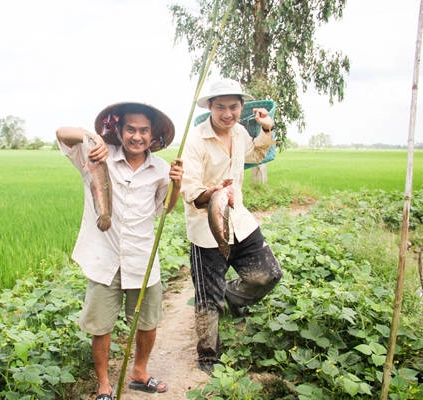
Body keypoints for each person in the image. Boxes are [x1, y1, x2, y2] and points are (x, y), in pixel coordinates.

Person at [56, 102, 183, 400]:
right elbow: (62, 133)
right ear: (119, 130)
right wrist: (92, 137)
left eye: (143, 130)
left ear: (152, 136)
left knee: (148, 322)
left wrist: (177, 185)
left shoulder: (162, 169)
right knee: (101, 326)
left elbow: (166, 209)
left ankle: (139, 372)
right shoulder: (97, 156)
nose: (137, 136)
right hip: (104, 258)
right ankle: (103, 385)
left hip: (142, 257)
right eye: (130, 129)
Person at [180, 79, 283, 373]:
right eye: (221, 107)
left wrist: (266, 129)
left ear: (242, 107)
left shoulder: (239, 133)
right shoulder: (196, 141)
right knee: (206, 299)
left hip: (240, 219)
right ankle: (208, 356)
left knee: (268, 275)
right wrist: (212, 192)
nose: (228, 113)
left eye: (234, 106)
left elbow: (255, 155)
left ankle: (229, 295)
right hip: (207, 226)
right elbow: (189, 189)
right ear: (210, 107)